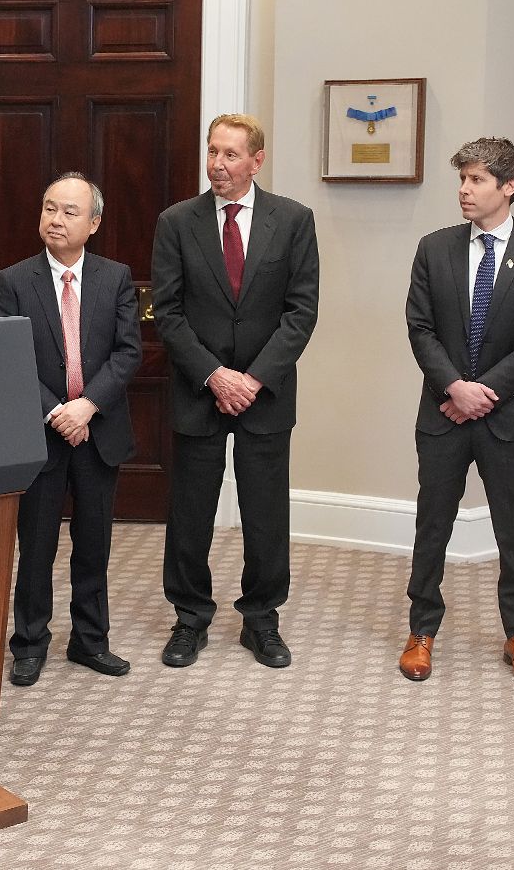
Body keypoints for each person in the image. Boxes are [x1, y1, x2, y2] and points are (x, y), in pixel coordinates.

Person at [151, 113, 319, 669]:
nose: (217, 165)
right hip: (200, 388)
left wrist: (252, 378)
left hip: (264, 392)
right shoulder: (177, 222)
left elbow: (301, 312)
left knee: (266, 511)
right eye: (212, 153)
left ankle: (261, 619)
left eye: (229, 155)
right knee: (191, 510)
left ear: (257, 161)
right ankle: (189, 617)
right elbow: (168, 314)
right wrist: (214, 375)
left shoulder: (293, 220)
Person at [400, 136, 514, 689]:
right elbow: (420, 328)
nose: (464, 191)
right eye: (463, 180)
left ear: (509, 186)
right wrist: (454, 385)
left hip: (508, 417)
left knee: (513, 527)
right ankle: (422, 629)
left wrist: (482, 392)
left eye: (476, 181)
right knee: (433, 524)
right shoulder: (435, 247)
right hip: (443, 411)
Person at [0, 173, 142, 687]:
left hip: (99, 430)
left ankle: (90, 641)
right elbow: (8, 359)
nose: (56, 220)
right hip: (42, 434)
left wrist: (87, 407)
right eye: (49, 208)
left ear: (93, 223)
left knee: (94, 541)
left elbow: (128, 353)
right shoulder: (14, 281)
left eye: (69, 212)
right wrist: (59, 411)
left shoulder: (115, 277)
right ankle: (29, 643)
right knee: (35, 546)